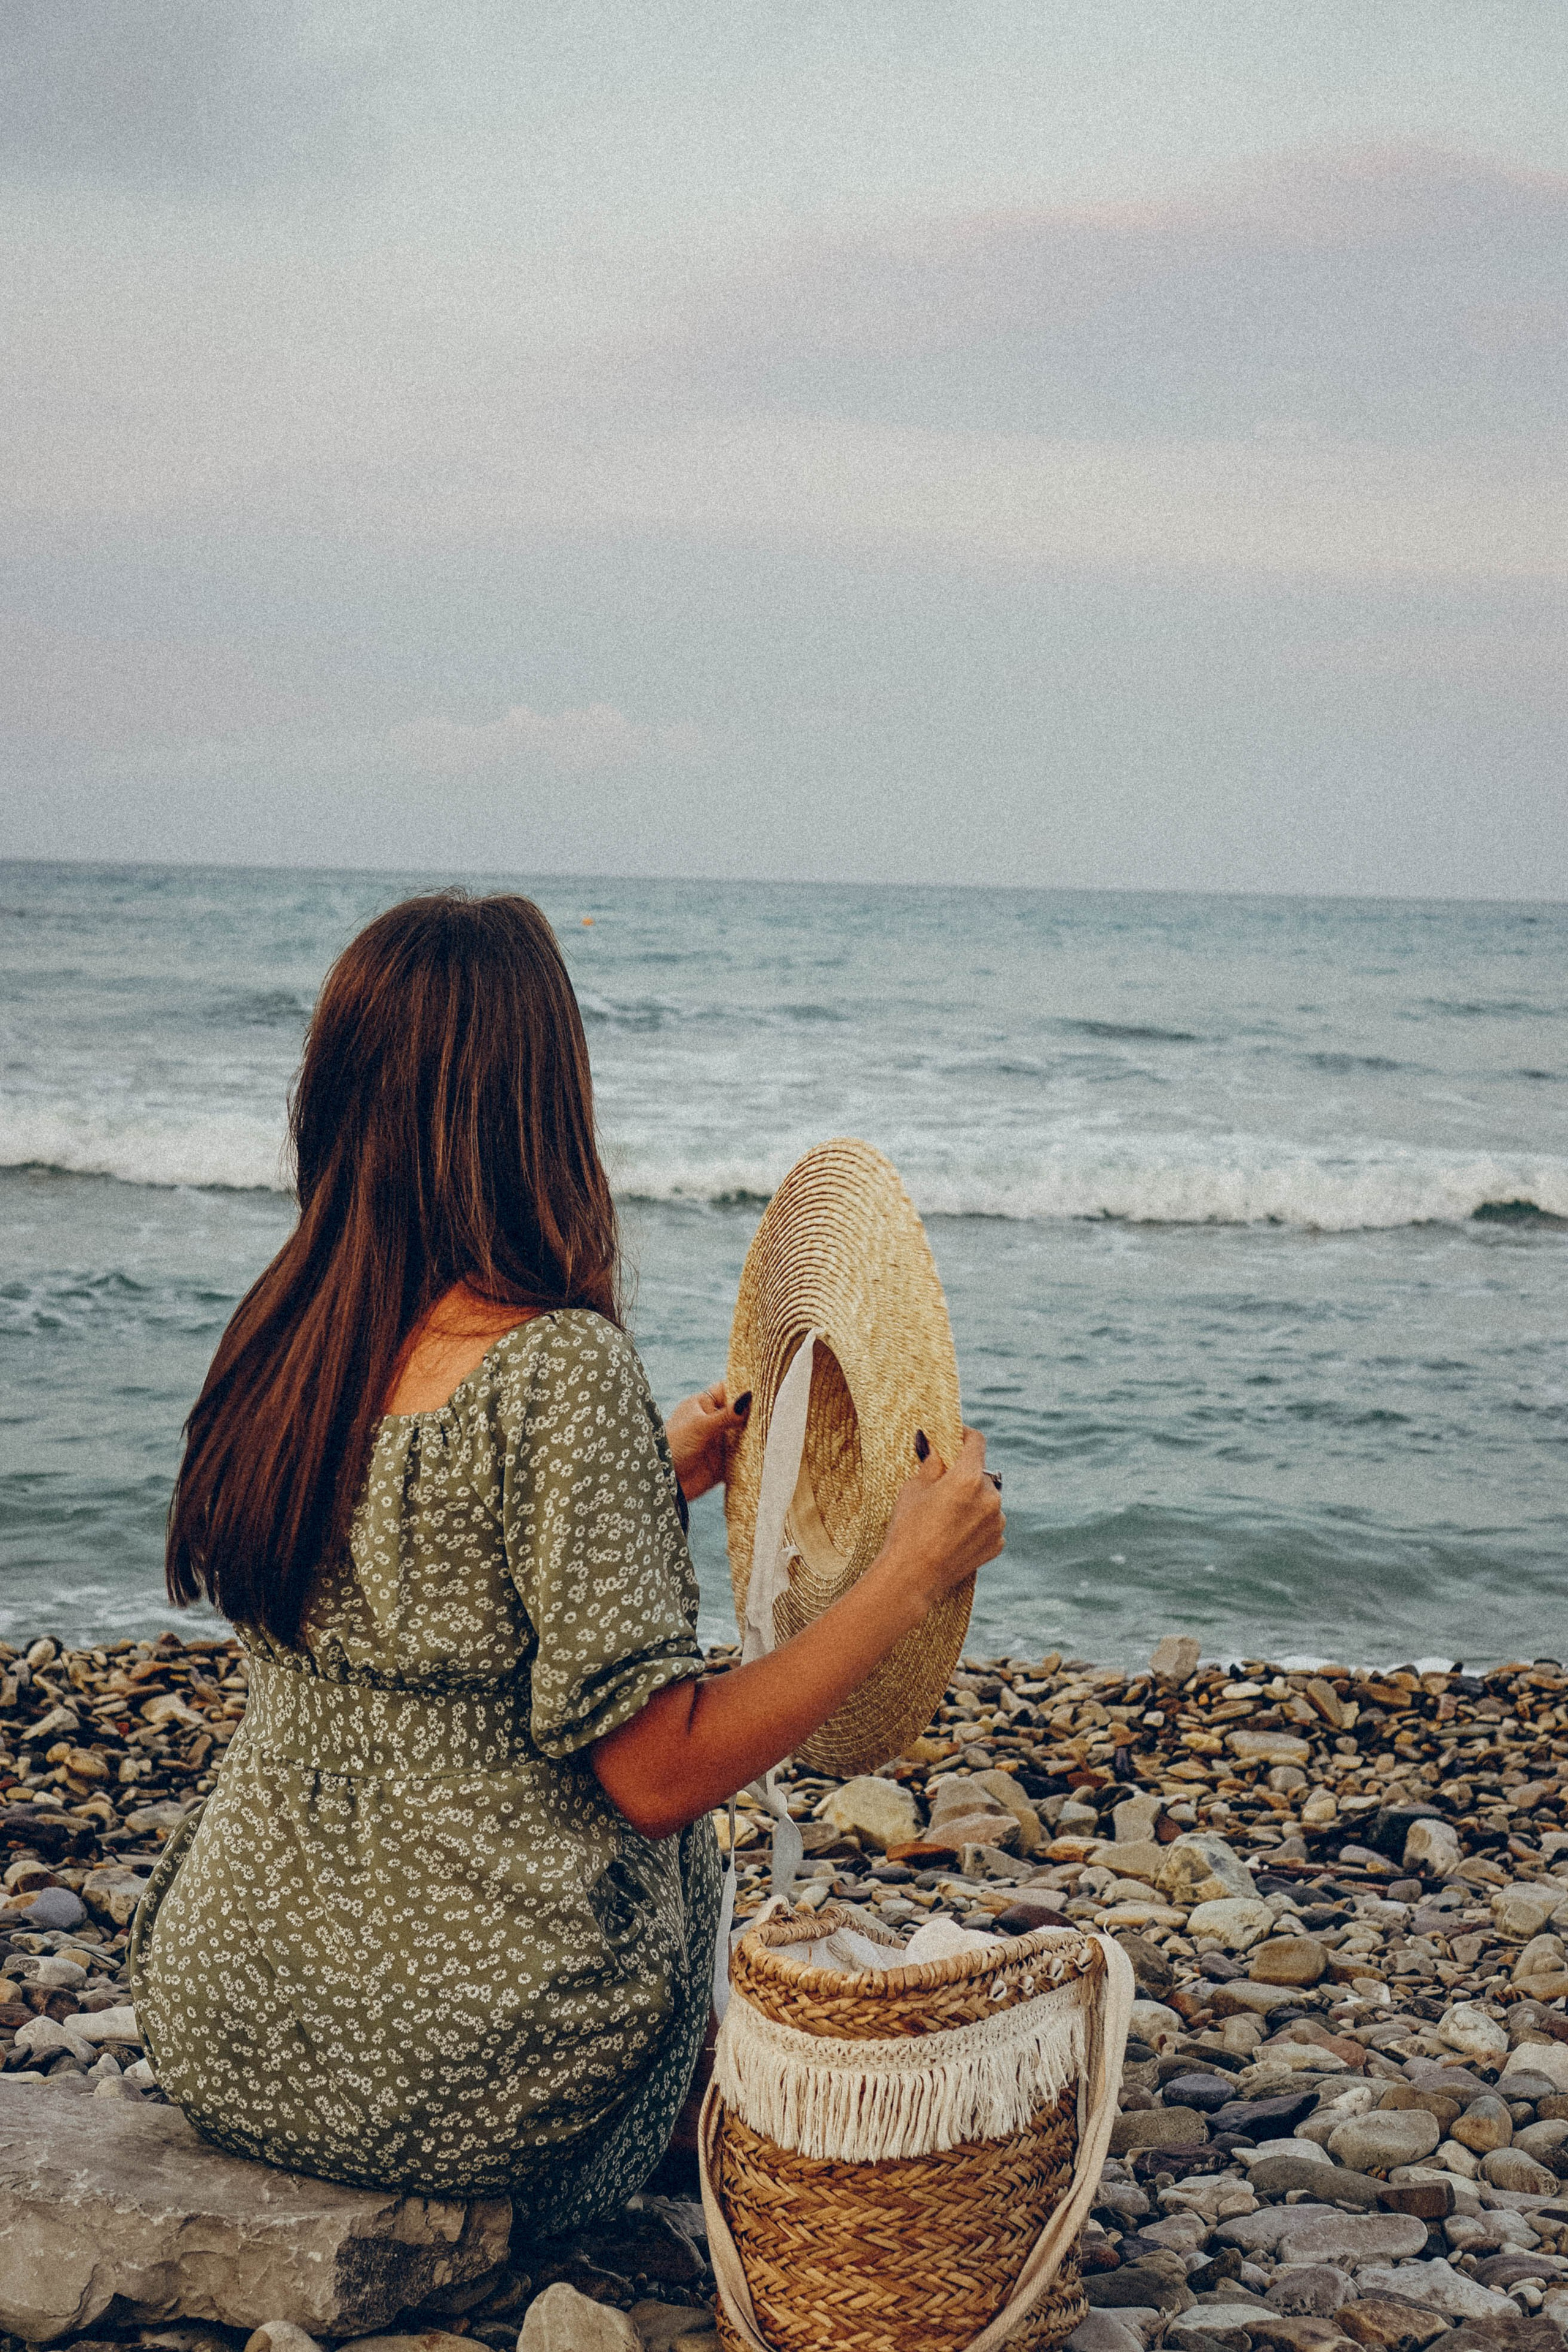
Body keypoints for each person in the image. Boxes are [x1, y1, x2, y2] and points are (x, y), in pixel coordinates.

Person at [130, 891, 1004, 2226]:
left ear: (339, 1098)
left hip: (227, 2013)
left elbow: (394, 1580)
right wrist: (905, 1575)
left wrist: (636, 1482)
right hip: (451, 2067)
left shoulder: (290, 1325)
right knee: (688, 1866)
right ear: (539, 1099)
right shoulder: (556, 1368)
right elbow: (656, 1775)